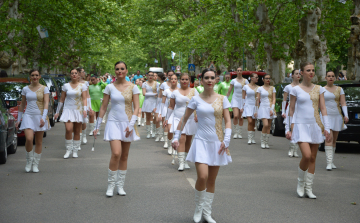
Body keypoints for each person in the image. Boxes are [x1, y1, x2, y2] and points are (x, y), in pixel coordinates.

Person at [172, 68, 232, 223]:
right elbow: (184, 119)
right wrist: (176, 137)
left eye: (212, 77)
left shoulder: (222, 98)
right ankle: (198, 209)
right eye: (207, 78)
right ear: (202, 80)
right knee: (203, 176)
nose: (210, 80)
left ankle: (207, 212)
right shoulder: (196, 99)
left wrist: (227, 140)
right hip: (200, 142)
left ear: (216, 80)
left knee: (211, 180)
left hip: (217, 142)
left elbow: (228, 121)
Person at [93, 61, 140, 197]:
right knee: (116, 153)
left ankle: (120, 186)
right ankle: (110, 185)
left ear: (126, 71)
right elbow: (103, 107)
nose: (119, 71)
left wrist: (131, 125)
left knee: (124, 156)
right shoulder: (109, 87)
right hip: (113, 122)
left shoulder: (133, 87)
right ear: (115, 71)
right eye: (117, 69)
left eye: (122, 69)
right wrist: (97, 125)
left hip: (127, 123)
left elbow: (136, 107)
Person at [286, 62, 331, 199]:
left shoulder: (319, 89)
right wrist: (288, 128)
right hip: (300, 126)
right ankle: (300, 183)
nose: (311, 72)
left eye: (312, 70)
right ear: (302, 73)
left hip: (316, 125)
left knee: (312, 157)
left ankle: (309, 188)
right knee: (306, 155)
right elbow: (291, 109)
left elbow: (323, 109)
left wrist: (327, 127)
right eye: (308, 70)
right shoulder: (295, 89)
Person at [16, 69, 50, 172]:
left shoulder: (44, 89)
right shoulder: (25, 89)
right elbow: (22, 105)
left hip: (39, 116)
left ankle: (36, 164)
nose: (34, 77)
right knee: (29, 139)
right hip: (28, 116)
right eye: (32, 75)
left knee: (39, 141)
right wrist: (18, 119)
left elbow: (46, 104)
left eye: (36, 75)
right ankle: (29, 161)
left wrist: (43, 118)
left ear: (39, 77)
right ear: (30, 77)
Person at [54, 68, 87, 158]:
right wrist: (57, 112)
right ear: (70, 75)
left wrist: (85, 109)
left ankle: (75, 151)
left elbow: (84, 98)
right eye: (72, 73)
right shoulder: (66, 86)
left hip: (78, 110)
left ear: (78, 75)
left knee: (77, 131)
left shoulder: (82, 86)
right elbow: (61, 99)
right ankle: (68, 150)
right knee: (68, 129)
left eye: (75, 73)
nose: (74, 75)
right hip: (68, 110)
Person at [168, 73, 198, 171]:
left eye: (186, 79)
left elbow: (199, 104)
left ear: (189, 80)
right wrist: (166, 118)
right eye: (182, 79)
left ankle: (185, 161)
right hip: (178, 119)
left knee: (189, 139)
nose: (184, 81)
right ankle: (181, 162)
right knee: (181, 138)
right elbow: (171, 106)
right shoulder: (175, 92)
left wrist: (197, 114)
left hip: (190, 119)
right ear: (179, 80)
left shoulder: (194, 91)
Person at [323, 71, 349, 170]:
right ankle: (328, 162)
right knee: (328, 138)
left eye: (332, 76)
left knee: (334, 139)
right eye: (329, 76)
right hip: (326, 117)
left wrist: (346, 115)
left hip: (337, 116)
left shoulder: (339, 89)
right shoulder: (321, 90)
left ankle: (332, 161)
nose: (331, 77)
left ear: (335, 78)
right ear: (326, 77)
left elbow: (343, 103)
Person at [282, 69, 301, 157]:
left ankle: (295, 149)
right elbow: (284, 100)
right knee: (290, 127)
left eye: (299, 74)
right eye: (296, 74)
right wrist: (283, 111)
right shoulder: (288, 87)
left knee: (297, 128)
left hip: (300, 109)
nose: (298, 75)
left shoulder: (302, 86)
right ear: (292, 75)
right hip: (290, 108)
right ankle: (291, 148)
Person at [226, 67, 249, 139]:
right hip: (235, 99)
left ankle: (240, 132)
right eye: (238, 70)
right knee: (235, 116)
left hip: (242, 100)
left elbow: (247, 92)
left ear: (242, 72)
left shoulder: (245, 81)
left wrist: (246, 101)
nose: (239, 71)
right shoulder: (233, 80)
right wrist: (226, 99)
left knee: (241, 117)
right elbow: (229, 91)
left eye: (240, 70)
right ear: (236, 72)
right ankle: (236, 132)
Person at [255, 74, 276, 149]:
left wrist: (272, 109)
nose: (268, 80)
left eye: (269, 78)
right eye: (266, 78)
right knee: (265, 125)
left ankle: (266, 142)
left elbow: (274, 99)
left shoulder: (272, 88)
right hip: (263, 107)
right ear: (263, 79)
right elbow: (257, 100)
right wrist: (256, 110)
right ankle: (262, 141)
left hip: (270, 108)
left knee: (269, 126)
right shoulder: (260, 88)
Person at [162, 74, 179, 155]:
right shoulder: (166, 91)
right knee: (170, 130)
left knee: (176, 131)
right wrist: (165, 117)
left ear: (177, 80)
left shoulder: (180, 91)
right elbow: (164, 103)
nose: (173, 80)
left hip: (178, 113)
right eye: (172, 79)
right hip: (170, 112)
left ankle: (175, 147)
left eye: (175, 79)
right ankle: (169, 145)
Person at [241, 73, 259, 144]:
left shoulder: (258, 87)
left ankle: (253, 138)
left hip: (254, 105)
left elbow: (258, 99)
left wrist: (257, 109)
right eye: (256, 77)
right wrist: (242, 107)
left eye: (257, 77)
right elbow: (243, 97)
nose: (257, 78)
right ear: (251, 78)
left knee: (253, 122)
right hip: (247, 105)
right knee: (250, 121)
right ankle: (249, 138)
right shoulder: (245, 87)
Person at [142, 71, 160, 138]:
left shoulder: (157, 83)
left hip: (155, 102)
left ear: (154, 76)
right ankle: (148, 132)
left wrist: (156, 94)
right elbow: (144, 93)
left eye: (152, 75)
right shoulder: (144, 84)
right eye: (149, 75)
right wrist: (154, 94)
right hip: (147, 101)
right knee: (148, 117)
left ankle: (154, 131)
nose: (150, 76)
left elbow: (158, 93)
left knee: (155, 117)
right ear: (147, 76)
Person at [78, 68, 91, 146]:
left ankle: (84, 135)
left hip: (84, 104)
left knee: (83, 121)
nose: (84, 73)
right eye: (83, 72)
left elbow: (87, 95)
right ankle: (78, 140)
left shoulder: (86, 83)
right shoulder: (72, 83)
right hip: (76, 104)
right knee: (78, 122)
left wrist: (89, 106)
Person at [154, 73, 166, 142]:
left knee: (162, 119)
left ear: (159, 77)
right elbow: (158, 95)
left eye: (157, 76)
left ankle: (162, 136)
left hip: (163, 102)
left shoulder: (164, 84)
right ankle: (158, 135)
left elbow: (161, 95)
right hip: (158, 102)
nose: (156, 77)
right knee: (156, 119)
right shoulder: (158, 84)